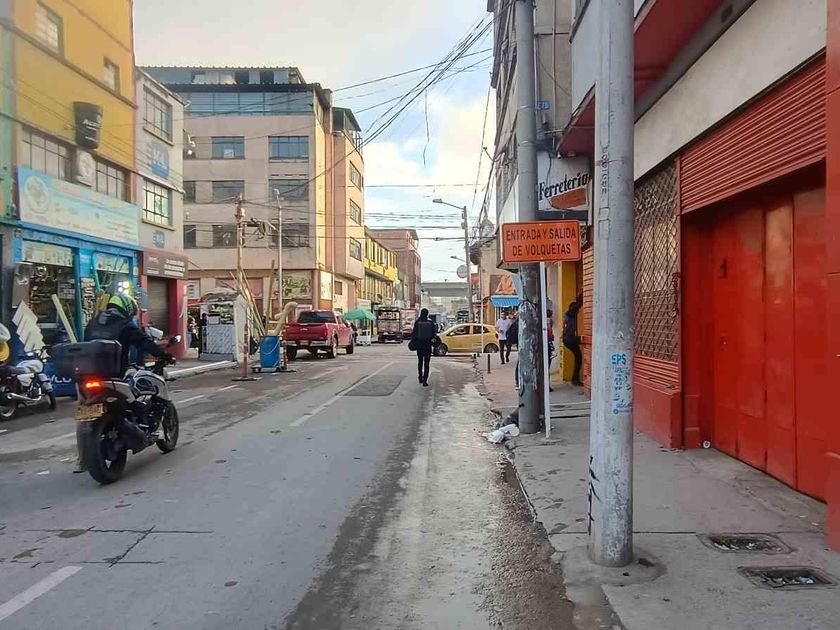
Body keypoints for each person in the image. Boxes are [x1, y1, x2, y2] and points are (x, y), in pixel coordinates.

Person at [85, 294, 171, 375]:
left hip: (89, 371)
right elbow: (143, 341)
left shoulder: (93, 322)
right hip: (115, 373)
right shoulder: (125, 324)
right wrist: (163, 355)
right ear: (127, 308)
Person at [411, 308, 436, 387]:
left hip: (419, 345)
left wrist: (413, 342)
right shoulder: (430, 322)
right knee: (427, 363)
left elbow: (414, 334)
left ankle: (420, 377)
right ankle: (425, 380)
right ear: (427, 314)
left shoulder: (417, 322)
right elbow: (433, 335)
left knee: (420, 361)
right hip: (428, 345)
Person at [562, 300, 583, 386]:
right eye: (577, 310)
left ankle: (575, 379)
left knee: (578, 357)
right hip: (569, 339)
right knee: (578, 357)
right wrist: (582, 297)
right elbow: (576, 306)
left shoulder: (567, 315)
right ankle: (575, 379)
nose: (578, 312)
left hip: (568, 339)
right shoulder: (570, 314)